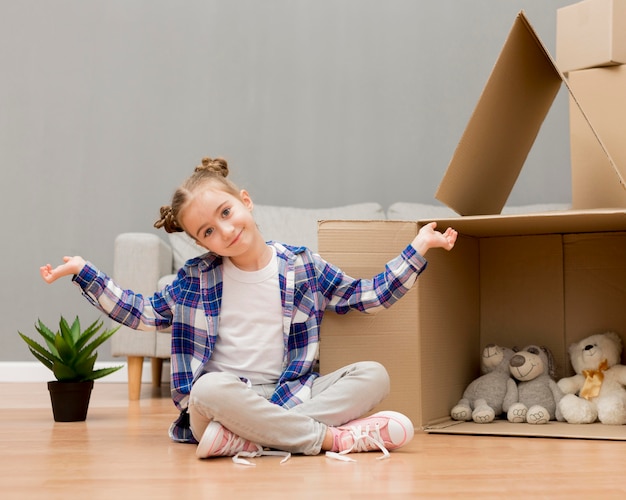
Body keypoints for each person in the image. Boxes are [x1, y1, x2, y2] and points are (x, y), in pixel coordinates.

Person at [40, 156, 457, 464]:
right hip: (224, 402)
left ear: (245, 201)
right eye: (208, 231)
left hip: (289, 395)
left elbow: (367, 296)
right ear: (203, 244)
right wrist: (84, 273)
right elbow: (142, 313)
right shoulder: (194, 281)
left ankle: (251, 440)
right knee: (205, 389)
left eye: (226, 213)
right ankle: (332, 440)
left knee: (374, 375)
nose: (225, 230)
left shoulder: (303, 267)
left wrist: (417, 249)